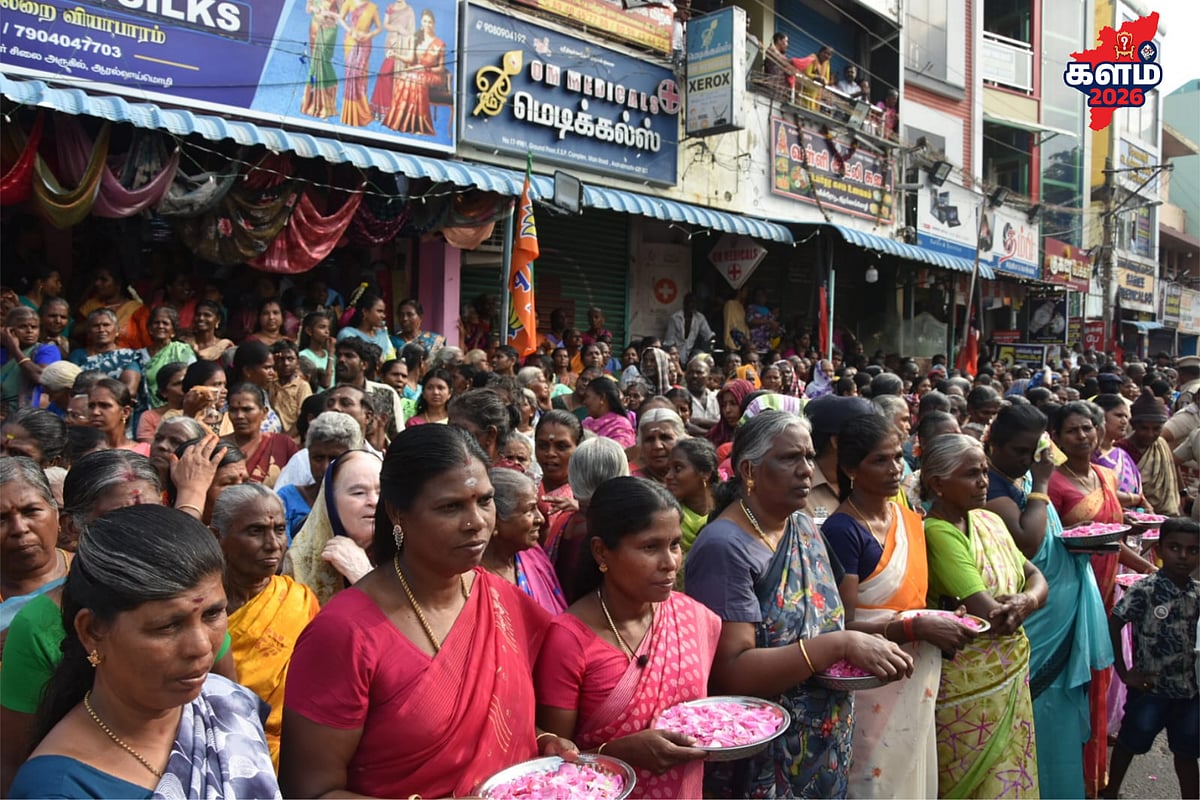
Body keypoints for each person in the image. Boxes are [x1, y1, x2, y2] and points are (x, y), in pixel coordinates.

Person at [281, 426, 577, 798]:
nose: (476, 522)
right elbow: (309, 791)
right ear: (398, 513)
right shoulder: (344, 633)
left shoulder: (502, 600)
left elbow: (493, 724)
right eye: (450, 507)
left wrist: (541, 741)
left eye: (485, 501)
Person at [684, 411, 913, 797]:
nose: (806, 470)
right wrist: (840, 645)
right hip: (763, 751)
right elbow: (732, 671)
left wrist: (901, 629)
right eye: (790, 458)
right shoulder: (725, 547)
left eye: (808, 456)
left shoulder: (803, 526)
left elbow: (830, 619)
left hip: (824, 744)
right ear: (749, 470)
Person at [8, 505, 280, 799]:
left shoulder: (227, 704)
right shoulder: (59, 789)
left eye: (212, 614)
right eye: (168, 626)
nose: (202, 646)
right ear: (92, 631)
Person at [822, 415, 974, 798]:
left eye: (897, 458)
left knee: (910, 775)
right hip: (871, 679)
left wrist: (944, 615)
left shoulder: (909, 519)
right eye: (879, 460)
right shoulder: (843, 530)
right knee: (872, 782)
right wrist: (911, 628)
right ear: (851, 469)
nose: (894, 469)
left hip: (913, 670)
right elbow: (841, 625)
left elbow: (912, 600)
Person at [536, 477, 715, 797]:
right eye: (650, 547)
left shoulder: (692, 617)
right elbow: (553, 764)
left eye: (675, 544)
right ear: (601, 551)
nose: (670, 563)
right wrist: (616, 753)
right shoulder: (569, 640)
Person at [984, 404, 1114, 799]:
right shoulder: (992, 486)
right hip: (1036, 625)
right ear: (994, 445)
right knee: (1038, 713)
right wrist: (1041, 481)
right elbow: (1028, 540)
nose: (1027, 460)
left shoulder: (1018, 480)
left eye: (1032, 451)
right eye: (1018, 451)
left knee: (1059, 720)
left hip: (1058, 610)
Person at [921, 434, 1047, 798]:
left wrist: (1026, 600)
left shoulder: (988, 521)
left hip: (1008, 677)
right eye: (971, 474)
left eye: (984, 472)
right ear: (938, 484)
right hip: (969, 688)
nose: (983, 482)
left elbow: (1037, 577)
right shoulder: (937, 533)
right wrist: (1024, 603)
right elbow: (991, 615)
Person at [1048, 400, 1156, 797]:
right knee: (1073, 684)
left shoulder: (1106, 476)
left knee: (1100, 683)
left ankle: (1093, 779)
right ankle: (1065, 777)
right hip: (1070, 595)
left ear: (1098, 432)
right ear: (1057, 438)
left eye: (1088, 428)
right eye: (1072, 430)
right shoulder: (1052, 485)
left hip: (1108, 592)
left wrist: (1148, 570)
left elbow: (1112, 539)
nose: (1082, 436)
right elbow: (1050, 547)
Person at [211, 485, 319, 769]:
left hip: (301, 755)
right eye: (255, 531)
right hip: (224, 751)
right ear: (217, 536)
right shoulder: (200, 609)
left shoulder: (299, 600)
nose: (273, 544)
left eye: (280, 530)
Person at [1103, 518, 1199, 800]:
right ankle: (1111, 792)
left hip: (1189, 692)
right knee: (1130, 741)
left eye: (1193, 550)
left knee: (1187, 752)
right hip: (1149, 688)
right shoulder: (1145, 590)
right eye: (1174, 548)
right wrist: (1125, 672)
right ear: (1159, 549)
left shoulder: (1197, 593)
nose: (1183, 556)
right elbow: (1114, 624)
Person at [282, 449, 380, 605]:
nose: (374, 501)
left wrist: (362, 574)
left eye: (381, 492)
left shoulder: (410, 556)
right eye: (359, 493)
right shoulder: (301, 562)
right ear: (330, 501)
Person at [481, 468, 565, 614]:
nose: (540, 519)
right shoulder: (472, 581)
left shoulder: (534, 557)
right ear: (495, 521)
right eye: (530, 510)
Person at [275, 411, 363, 541]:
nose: (326, 467)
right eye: (318, 458)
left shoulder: (366, 502)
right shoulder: (287, 499)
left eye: (334, 458)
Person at [383, 8, 447, 135]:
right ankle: (401, 122)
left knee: (415, 79)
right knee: (404, 77)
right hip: (415, 72)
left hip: (432, 75)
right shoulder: (416, 38)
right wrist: (395, 55)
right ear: (421, 22)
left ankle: (418, 124)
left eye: (430, 22)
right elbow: (410, 59)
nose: (427, 24)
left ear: (434, 24)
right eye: (425, 21)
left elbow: (441, 69)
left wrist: (425, 68)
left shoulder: (440, 44)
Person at [1118, 389, 1180, 515]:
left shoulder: (1161, 444)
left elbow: (1173, 476)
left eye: (1156, 429)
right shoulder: (1121, 450)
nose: (1150, 434)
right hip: (1135, 517)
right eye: (1144, 428)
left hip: (1169, 515)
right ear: (1133, 425)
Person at [223, 383, 298, 488]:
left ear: (264, 412)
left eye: (247, 409)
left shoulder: (283, 445)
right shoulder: (218, 447)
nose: (239, 416)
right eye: (233, 410)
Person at [663, 437, 718, 562]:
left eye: (678, 468)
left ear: (705, 473)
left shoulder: (729, 510)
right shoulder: (666, 516)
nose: (668, 476)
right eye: (668, 469)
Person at [68, 309, 141, 398]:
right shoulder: (77, 355)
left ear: (117, 330)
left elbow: (130, 390)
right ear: (88, 333)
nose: (101, 329)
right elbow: (70, 385)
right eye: (96, 326)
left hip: (117, 403)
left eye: (106, 325)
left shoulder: (128, 356)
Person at [137, 306, 195, 416]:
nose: (160, 326)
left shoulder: (182, 350)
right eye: (156, 323)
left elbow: (192, 379)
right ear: (150, 329)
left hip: (178, 410)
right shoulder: (139, 355)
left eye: (165, 323)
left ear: (173, 330)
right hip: (146, 410)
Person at [1, 306, 60, 415]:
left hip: (29, 417)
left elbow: (40, 376)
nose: (29, 331)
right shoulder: (2, 353)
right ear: (9, 331)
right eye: (23, 327)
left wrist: (15, 349)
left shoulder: (46, 350)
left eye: (34, 327)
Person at [533, 410, 581, 545]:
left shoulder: (587, 496)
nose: (550, 453)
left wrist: (583, 510)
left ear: (578, 448)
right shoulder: (526, 489)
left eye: (561, 447)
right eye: (543, 446)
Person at [76, 267, 150, 351]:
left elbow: (147, 341)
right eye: (97, 279)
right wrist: (96, 319)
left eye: (103, 280)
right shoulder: (91, 305)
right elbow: (74, 332)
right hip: (93, 355)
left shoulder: (137, 309)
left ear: (118, 284)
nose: (97, 283)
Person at [301, 0, 341, 118]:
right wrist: (315, 9)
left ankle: (325, 103)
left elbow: (342, 17)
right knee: (315, 64)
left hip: (329, 29)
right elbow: (308, 9)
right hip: (315, 27)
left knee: (323, 61)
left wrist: (328, 14)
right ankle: (311, 103)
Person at [88, 378, 149, 455]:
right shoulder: (82, 451)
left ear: (125, 412)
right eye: (91, 406)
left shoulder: (144, 452)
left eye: (104, 405)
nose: (95, 412)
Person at [135, 362, 189, 444]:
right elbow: (152, 448)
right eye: (178, 384)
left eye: (188, 382)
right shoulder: (149, 417)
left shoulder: (206, 412)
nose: (186, 387)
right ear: (164, 392)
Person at [337, 291, 395, 362]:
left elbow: (391, 359)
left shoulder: (382, 334)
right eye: (379, 311)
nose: (383, 316)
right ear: (365, 312)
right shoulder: (347, 334)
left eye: (383, 312)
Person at [631, 408, 686, 483]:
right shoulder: (632, 483)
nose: (657, 446)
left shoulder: (694, 480)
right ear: (640, 445)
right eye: (649, 439)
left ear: (681, 441)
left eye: (665, 438)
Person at [581, 377, 636, 448]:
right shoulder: (587, 422)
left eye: (587, 397)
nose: (584, 402)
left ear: (602, 398)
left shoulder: (621, 427)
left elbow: (618, 453)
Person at [704, 378, 754, 448]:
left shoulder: (760, 437)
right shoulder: (715, 436)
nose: (727, 410)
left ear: (746, 404)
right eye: (723, 405)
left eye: (733, 403)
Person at [298, 311, 335, 391]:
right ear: (309, 331)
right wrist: (331, 354)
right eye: (322, 327)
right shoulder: (303, 356)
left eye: (328, 328)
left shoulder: (330, 355)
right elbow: (326, 383)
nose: (327, 331)